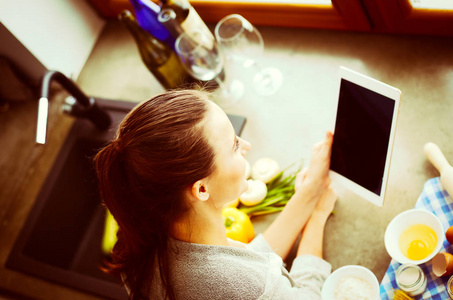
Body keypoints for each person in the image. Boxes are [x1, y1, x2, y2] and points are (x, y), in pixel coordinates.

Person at [94, 89, 337, 300]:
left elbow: (244, 265)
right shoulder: (244, 284)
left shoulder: (142, 241)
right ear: (201, 189)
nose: (247, 146)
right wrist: (316, 217)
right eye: (234, 146)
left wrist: (308, 194)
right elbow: (299, 294)